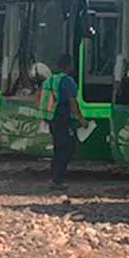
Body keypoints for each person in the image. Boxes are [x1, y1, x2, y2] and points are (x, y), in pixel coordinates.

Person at [38, 55, 84, 190]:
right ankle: (58, 180)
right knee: (68, 149)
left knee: (58, 149)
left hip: (52, 119)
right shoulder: (67, 81)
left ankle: (55, 178)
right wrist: (81, 119)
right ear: (68, 66)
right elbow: (72, 102)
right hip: (64, 119)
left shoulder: (49, 81)